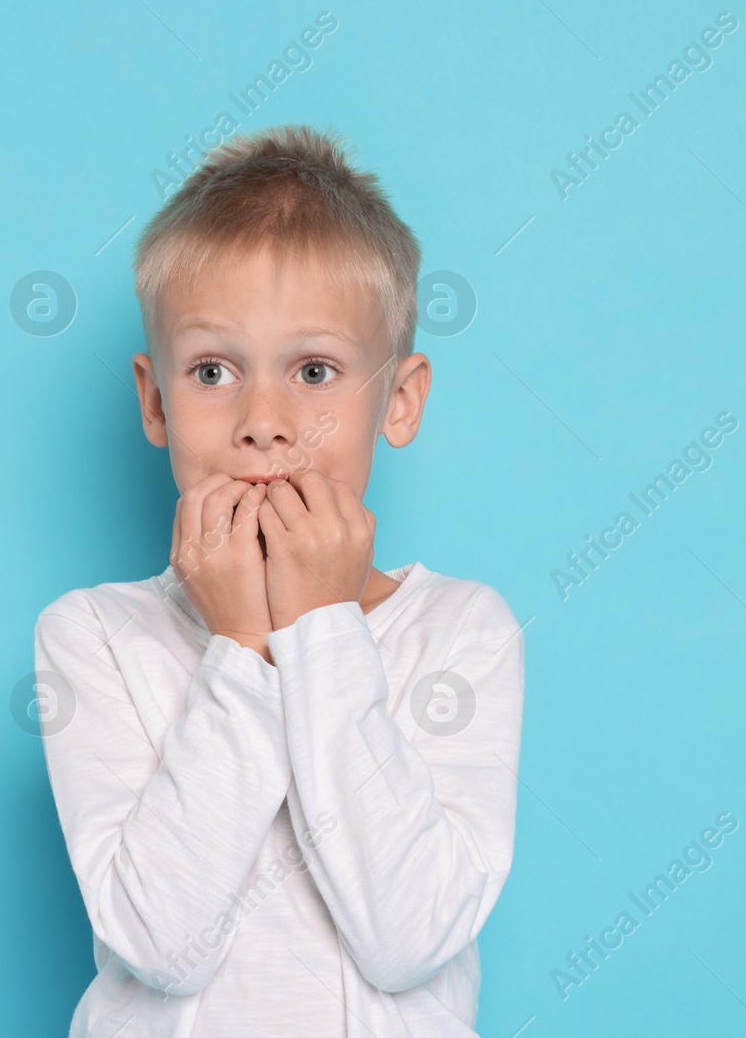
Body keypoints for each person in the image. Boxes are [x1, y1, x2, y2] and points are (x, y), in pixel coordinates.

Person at [32, 123, 526, 1036]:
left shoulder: (464, 630)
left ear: (401, 399)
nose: (264, 421)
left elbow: (407, 939)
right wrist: (244, 647)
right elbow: (158, 943)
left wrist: (322, 624)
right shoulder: (93, 634)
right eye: (213, 370)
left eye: (314, 370)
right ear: (154, 399)